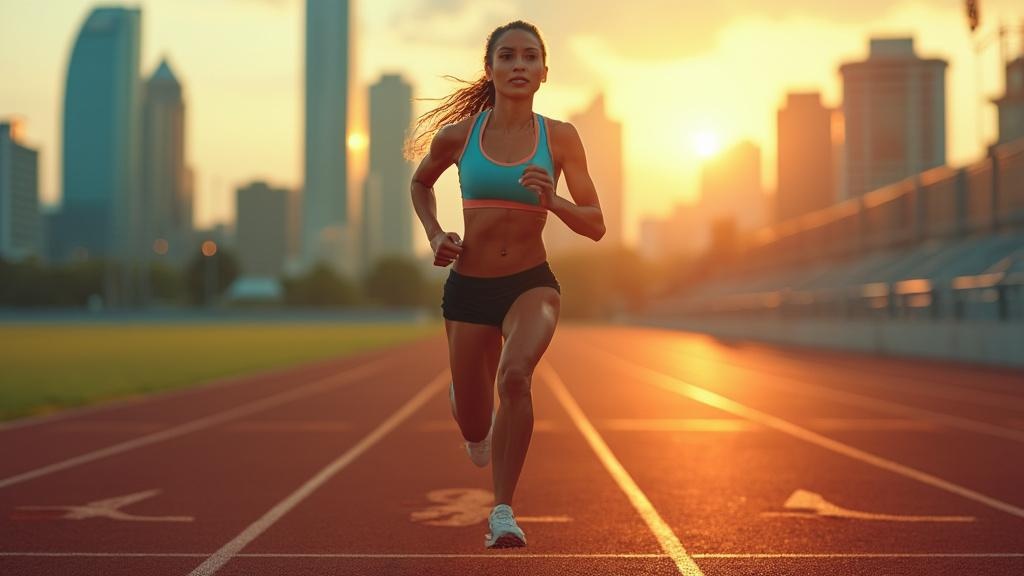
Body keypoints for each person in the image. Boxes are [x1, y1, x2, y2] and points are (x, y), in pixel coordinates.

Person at [408, 20, 605, 549]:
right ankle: (466, 404)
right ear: (490, 69)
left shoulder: (560, 137)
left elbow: (596, 223)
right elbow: (420, 184)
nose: (519, 65)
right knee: (475, 426)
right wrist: (434, 236)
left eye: (529, 57)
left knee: (515, 377)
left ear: (544, 72)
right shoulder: (459, 135)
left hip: (531, 284)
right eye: (507, 56)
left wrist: (555, 201)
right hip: (468, 288)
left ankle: (502, 511)